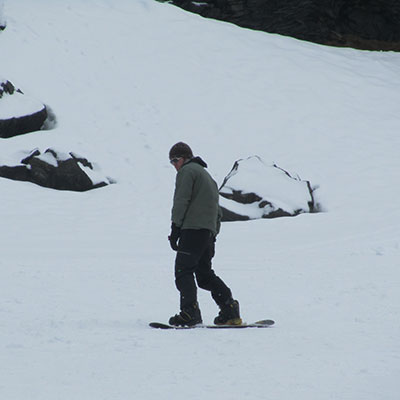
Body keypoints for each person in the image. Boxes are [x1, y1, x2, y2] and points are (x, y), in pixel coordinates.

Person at [167, 142, 242, 327]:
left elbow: (181, 200)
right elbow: (218, 210)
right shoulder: (208, 177)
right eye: (171, 162)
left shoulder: (187, 172)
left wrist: (175, 228)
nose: (174, 165)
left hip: (192, 230)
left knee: (183, 270)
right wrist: (213, 234)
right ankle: (230, 310)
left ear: (185, 158)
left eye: (175, 160)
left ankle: (189, 313)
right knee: (204, 275)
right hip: (207, 233)